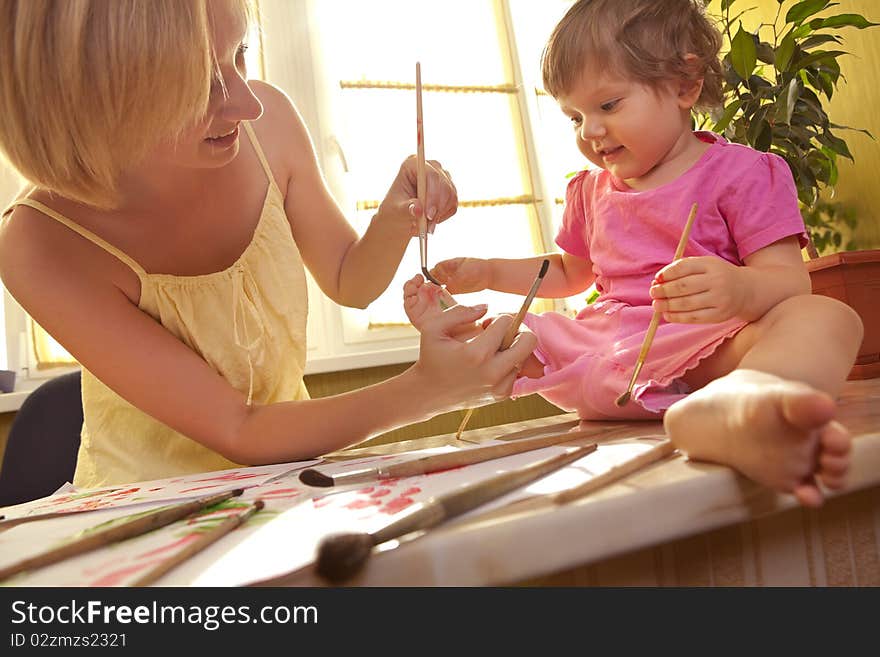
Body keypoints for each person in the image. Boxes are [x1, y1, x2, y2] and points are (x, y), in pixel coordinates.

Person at [0, 0, 536, 488]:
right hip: (142, 511)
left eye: (241, 54)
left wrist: (398, 215)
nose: (246, 103)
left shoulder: (269, 124)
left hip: (290, 481)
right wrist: (429, 389)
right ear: (88, 98)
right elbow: (240, 428)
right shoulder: (39, 243)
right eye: (199, 85)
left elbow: (351, 280)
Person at [408, 0, 864, 507]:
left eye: (608, 106)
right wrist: (487, 272)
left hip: (702, 353)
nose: (589, 131)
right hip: (600, 351)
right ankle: (447, 323)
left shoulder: (745, 173)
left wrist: (740, 290)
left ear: (683, 86)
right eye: (574, 116)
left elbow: (788, 280)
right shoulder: (588, 190)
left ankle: (741, 407)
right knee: (504, 334)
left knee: (826, 315)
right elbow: (569, 274)